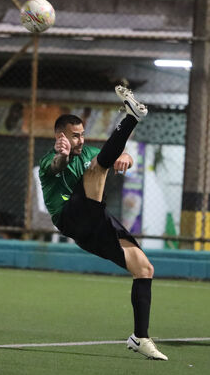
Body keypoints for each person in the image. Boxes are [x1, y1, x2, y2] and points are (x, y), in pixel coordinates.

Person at [39, 85, 168, 361]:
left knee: (144, 268)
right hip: (70, 217)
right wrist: (62, 154)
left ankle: (140, 337)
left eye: (83, 134)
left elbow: (115, 155)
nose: (81, 140)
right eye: (75, 136)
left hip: (95, 220)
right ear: (60, 136)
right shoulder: (49, 159)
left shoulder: (89, 153)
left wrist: (127, 157)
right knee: (98, 167)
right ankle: (131, 117)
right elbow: (57, 166)